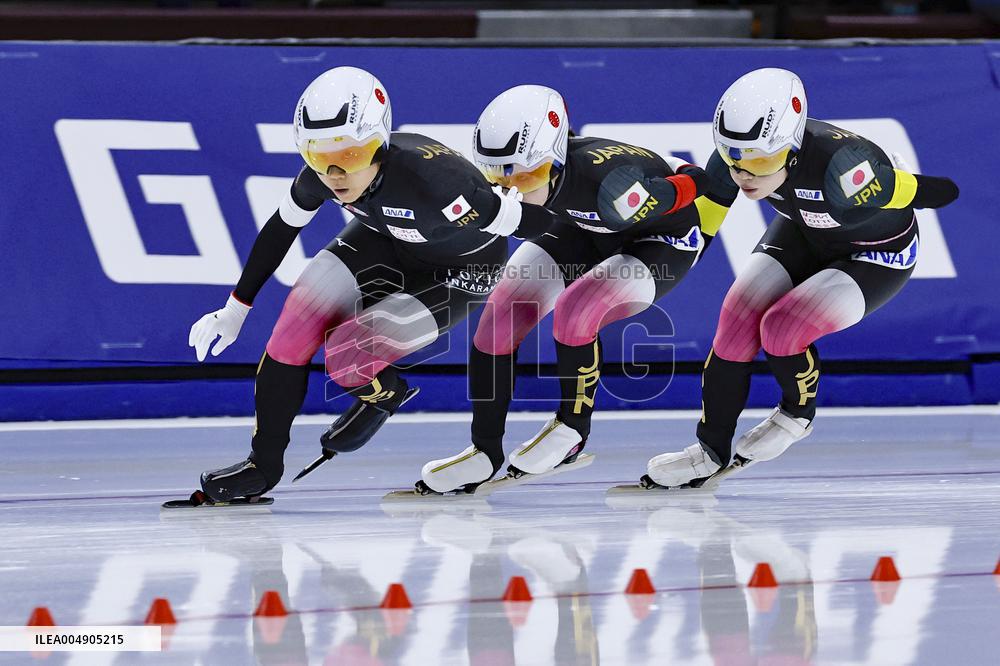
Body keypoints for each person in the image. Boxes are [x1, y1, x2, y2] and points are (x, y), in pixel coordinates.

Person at [184, 67, 552, 505]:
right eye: (318, 155)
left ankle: (385, 394)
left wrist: (517, 214)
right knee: (290, 332)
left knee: (347, 357)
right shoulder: (319, 176)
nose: (335, 173)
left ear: (378, 143)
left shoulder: (441, 185)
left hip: (461, 271)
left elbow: (543, 225)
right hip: (386, 242)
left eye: (351, 154)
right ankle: (263, 467)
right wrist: (236, 307)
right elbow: (281, 229)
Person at [639, 68, 959, 490]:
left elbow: (945, 192)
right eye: (734, 161)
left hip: (876, 255)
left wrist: (889, 184)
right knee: (735, 318)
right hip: (805, 232)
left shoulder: (843, 168)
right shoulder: (735, 159)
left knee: (782, 327)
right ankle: (710, 449)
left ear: (790, 150)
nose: (745, 175)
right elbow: (700, 234)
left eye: (761, 162)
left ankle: (795, 415)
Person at [414, 84, 716, 495]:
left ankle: (572, 431)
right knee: (500, 316)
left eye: (528, 175)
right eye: (496, 177)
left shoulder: (607, 175)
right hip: (580, 229)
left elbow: (697, 177)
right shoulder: (530, 179)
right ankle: (484, 450)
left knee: (578, 308)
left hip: (659, 242)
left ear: (556, 159)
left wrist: (673, 190)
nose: (513, 191)